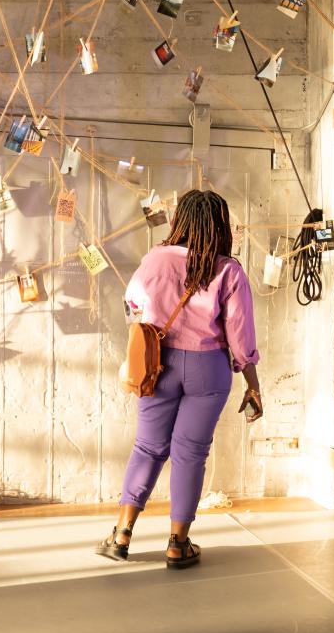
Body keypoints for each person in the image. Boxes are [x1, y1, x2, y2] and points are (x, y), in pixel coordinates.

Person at [97, 189, 262, 569]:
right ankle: (178, 543)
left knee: (148, 447)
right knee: (190, 453)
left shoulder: (155, 258)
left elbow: (132, 305)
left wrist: (151, 330)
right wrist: (252, 382)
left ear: (179, 221)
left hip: (159, 362)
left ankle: (121, 534)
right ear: (220, 226)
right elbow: (240, 334)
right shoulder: (229, 269)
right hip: (209, 369)